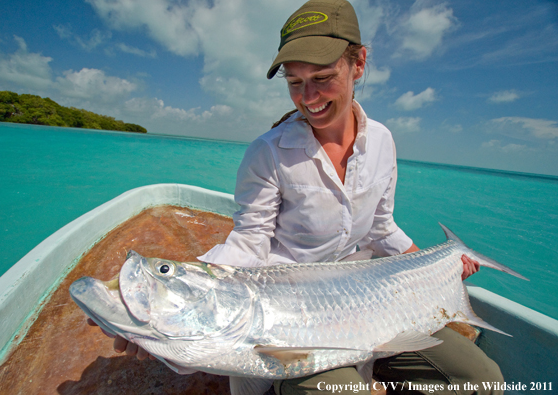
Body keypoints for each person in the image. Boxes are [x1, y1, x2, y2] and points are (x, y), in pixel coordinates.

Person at [95, 0, 502, 393]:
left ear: (358, 63)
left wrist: (439, 267)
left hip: (371, 300)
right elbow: (249, 242)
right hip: (288, 319)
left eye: (323, 77)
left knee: (484, 378)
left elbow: (381, 227)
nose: (309, 98)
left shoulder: (383, 142)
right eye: (295, 83)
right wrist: (176, 298)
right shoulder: (267, 153)